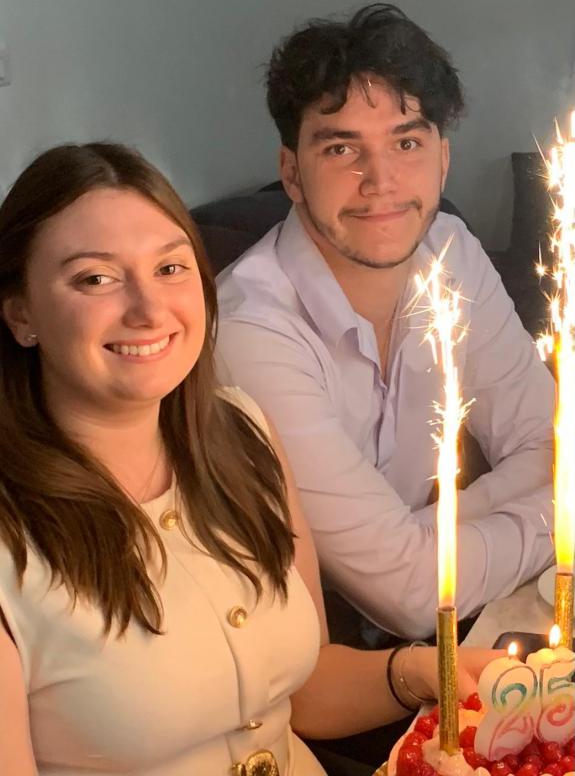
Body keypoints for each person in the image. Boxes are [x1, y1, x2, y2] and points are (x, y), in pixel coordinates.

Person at [0, 142, 501, 775]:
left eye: (170, 267)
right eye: (95, 278)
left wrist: (428, 671)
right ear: (21, 312)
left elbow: (303, 689)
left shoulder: (243, 434)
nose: (149, 310)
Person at [216, 3, 555, 644]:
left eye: (406, 143)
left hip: (457, 617)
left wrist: (425, 533)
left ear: (442, 159)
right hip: (320, 658)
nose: (380, 181)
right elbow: (412, 596)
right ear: (291, 172)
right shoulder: (250, 331)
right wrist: (557, 515)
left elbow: (550, 448)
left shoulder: (450, 249)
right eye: (341, 148)